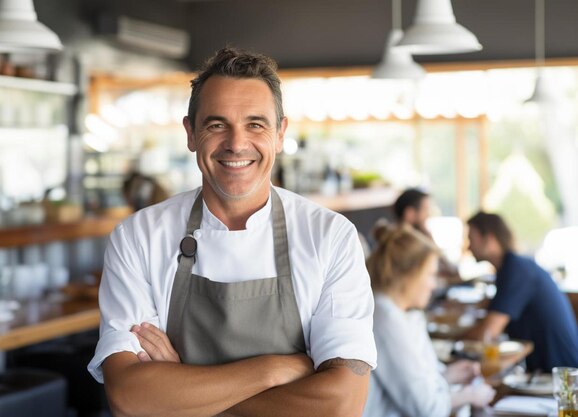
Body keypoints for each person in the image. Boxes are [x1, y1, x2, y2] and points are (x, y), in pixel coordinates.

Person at [87, 47, 376, 417]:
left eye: (255, 124)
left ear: (280, 134)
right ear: (191, 133)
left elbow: (341, 402)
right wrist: (276, 369)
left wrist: (180, 390)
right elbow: (130, 398)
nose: (237, 144)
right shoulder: (139, 237)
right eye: (216, 124)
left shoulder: (329, 236)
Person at [363, 224, 495, 417]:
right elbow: (427, 408)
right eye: (431, 275)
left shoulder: (404, 314)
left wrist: (449, 375)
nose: (434, 284)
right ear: (410, 274)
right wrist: (471, 395)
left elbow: (416, 381)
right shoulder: (385, 319)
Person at [463, 211, 578, 372]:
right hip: (544, 373)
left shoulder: (516, 270)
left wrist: (456, 338)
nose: (468, 247)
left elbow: (487, 333)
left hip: (559, 379)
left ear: (489, 239)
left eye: (471, 239)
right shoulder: (511, 268)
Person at [393, 187, 461, 284]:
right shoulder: (402, 246)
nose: (429, 215)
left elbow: (452, 271)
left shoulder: (421, 240)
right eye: (425, 210)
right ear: (410, 214)